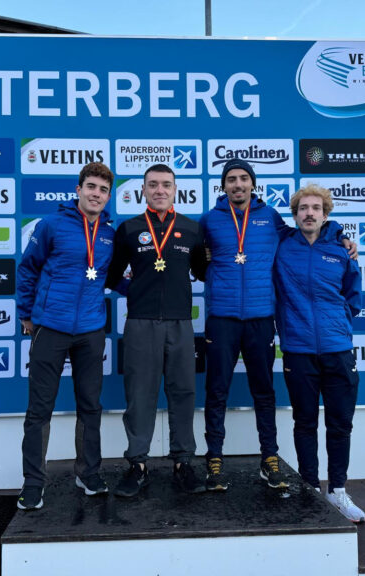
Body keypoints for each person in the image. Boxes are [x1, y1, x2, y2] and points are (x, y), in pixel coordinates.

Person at [199, 159, 357, 492]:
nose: (238, 184)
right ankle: (214, 458)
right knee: (216, 392)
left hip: (260, 319)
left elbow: (309, 231)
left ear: (252, 184)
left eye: (243, 178)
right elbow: (197, 260)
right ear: (223, 186)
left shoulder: (270, 218)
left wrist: (339, 233)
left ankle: (269, 457)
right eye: (231, 179)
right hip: (222, 319)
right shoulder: (210, 221)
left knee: (264, 393)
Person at [15, 162, 115, 510]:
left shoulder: (110, 233)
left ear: (108, 195)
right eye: (90, 187)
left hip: (90, 330)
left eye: (103, 190)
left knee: (90, 406)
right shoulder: (52, 225)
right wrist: (26, 314)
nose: (96, 194)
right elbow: (28, 268)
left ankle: (87, 472)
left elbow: (113, 276)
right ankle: (33, 481)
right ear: (78, 190)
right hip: (50, 327)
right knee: (39, 409)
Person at [106, 163, 208, 497]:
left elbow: (204, 271)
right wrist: (132, 290)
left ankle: (184, 463)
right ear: (144, 191)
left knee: (182, 393)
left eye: (166, 184)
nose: (159, 190)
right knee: (140, 395)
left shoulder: (192, 229)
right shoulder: (130, 229)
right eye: (153, 185)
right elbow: (111, 275)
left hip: (180, 323)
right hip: (140, 323)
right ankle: (137, 464)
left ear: (175, 189)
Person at [274, 183, 365, 522]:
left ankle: (338, 490)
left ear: (326, 214)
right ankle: (310, 487)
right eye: (302, 208)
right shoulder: (282, 248)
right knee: (305, 421)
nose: (309, 213)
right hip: (297, 350)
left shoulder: (342, 251)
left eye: (315, 208)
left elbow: (353, 298)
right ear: (295, 215)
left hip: (337, 349)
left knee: (340, 424)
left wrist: (336, 325)